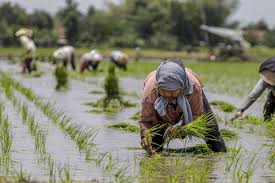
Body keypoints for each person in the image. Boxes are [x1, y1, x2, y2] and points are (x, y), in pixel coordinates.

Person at [139, 59, 226, 155]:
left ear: (181, 87)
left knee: (212, 134)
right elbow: (145, 120)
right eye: (163, 90)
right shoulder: (151, 92)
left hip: (191, 100)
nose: (168, 95)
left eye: (172, 91)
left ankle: (220, 158)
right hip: (159, 108)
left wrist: (181, 130)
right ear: (158, 87)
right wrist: (145, 136)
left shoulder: (194, 88)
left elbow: (196, 115)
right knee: (155, 145)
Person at [234, 57, 275, 121]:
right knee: (267, 111)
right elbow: (253, 95)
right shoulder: (266, 76)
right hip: (272, 93)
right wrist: (241, 110)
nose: (271, 79)